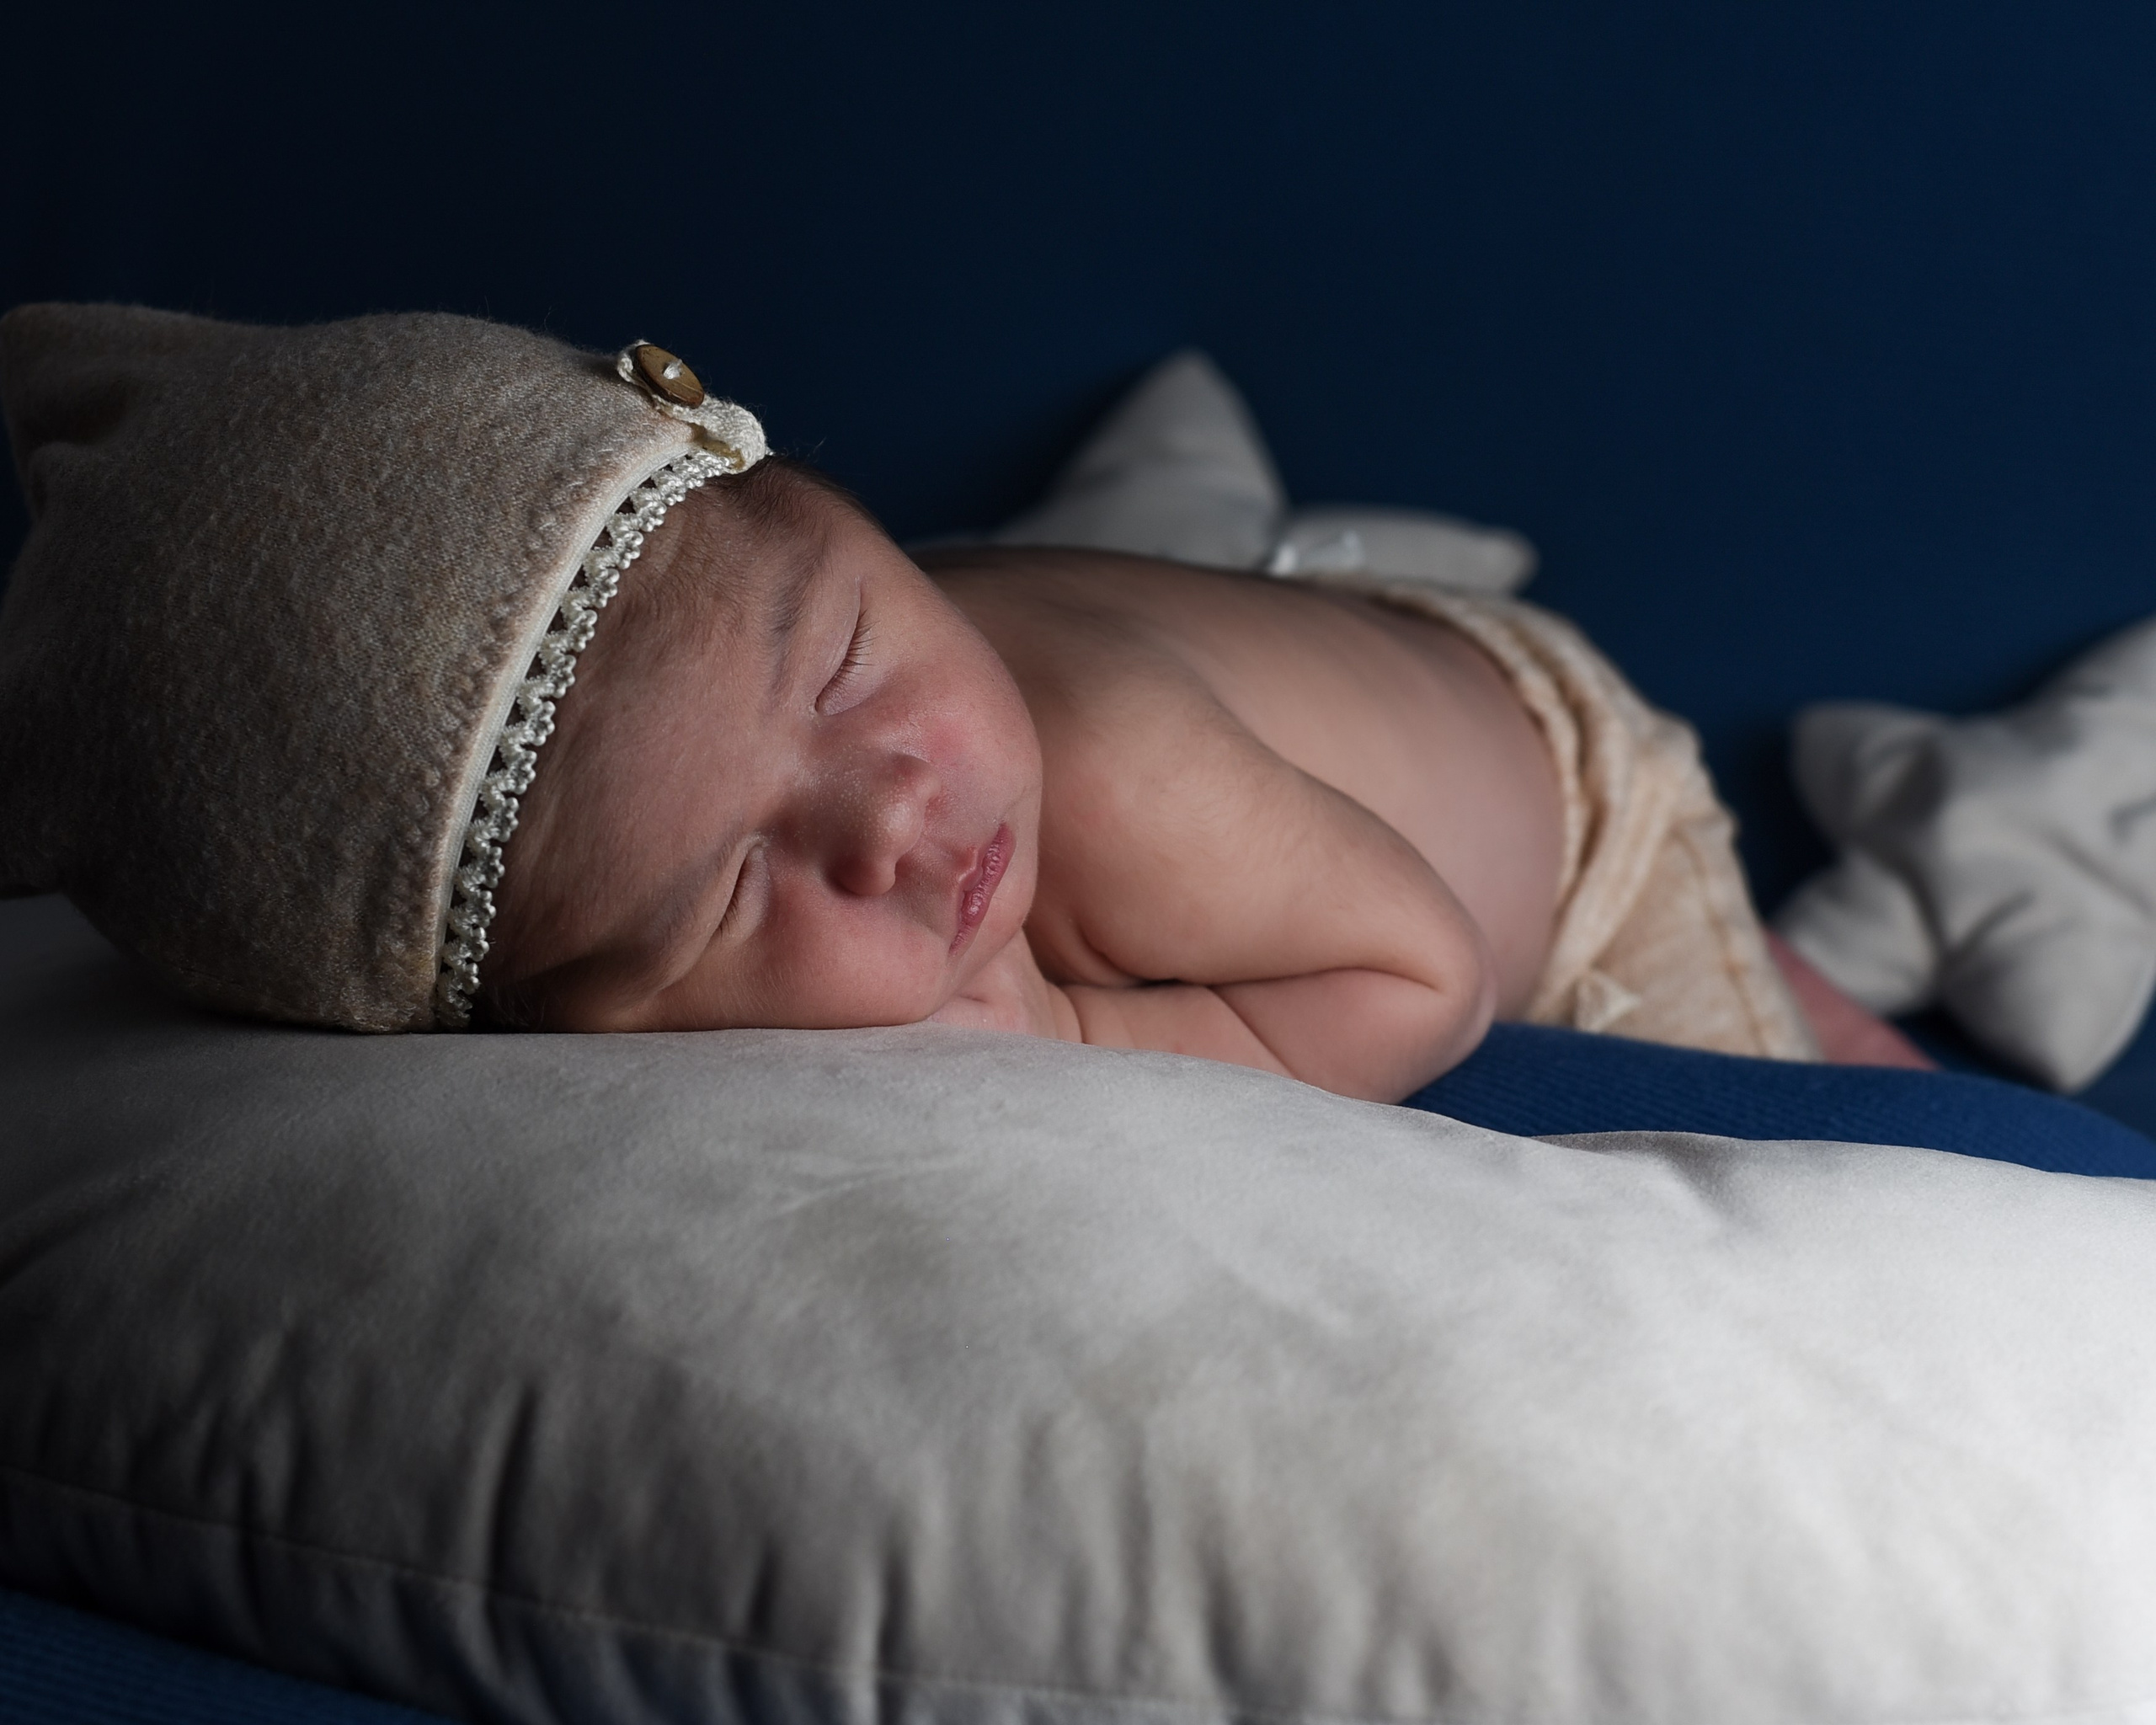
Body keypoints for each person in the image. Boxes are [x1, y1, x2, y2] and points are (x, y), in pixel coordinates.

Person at [0, 307, 1920, 1101]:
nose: (895, 820)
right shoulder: (809, 706)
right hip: (1260, 700)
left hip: (1556, 806)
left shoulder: (1121, 776)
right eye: (732, 893)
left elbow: (1418, 977)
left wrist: (1080, 1027)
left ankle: (1815, 994)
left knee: (1793, 1101)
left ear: (820, 492)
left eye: (846, 662)